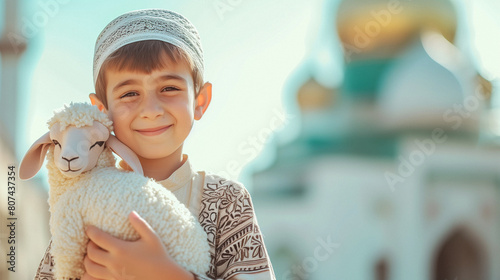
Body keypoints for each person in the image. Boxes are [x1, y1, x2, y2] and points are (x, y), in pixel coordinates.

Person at [34, 9, 276, 280]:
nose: (150, 109)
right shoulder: (81, 199)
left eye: (169, 88)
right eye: (129, 93)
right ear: (102, 112)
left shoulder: (226, 202)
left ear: (200, 101)